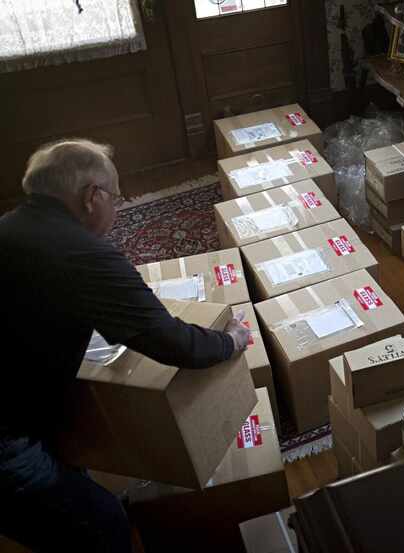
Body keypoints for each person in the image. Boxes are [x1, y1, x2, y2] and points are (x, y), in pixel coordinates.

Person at [0, 139, 252, 552]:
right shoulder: (82, 255)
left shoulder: (12, 226)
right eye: (115, 198)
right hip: (7, 437)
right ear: (91, 197)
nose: (116, 210)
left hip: (22, 403)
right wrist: (231, 339)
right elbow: (174, 344)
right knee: (103, 527)